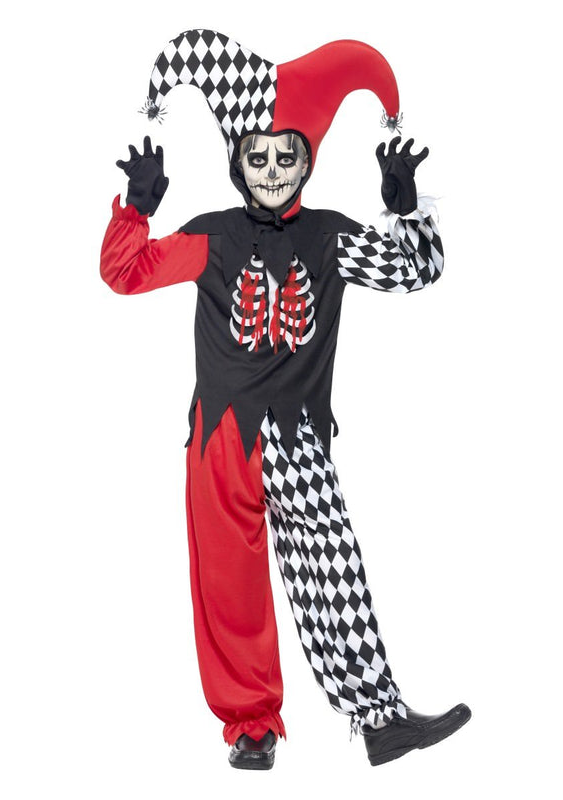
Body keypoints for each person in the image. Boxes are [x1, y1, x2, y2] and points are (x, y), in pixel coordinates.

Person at [100, 29, 471, 770]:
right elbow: (125, 273)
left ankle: (379, 718)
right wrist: (136, 209)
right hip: (222, 442)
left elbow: (416, 271)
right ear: (238, 164)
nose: (272, 171)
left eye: (286, 157)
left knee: (333, 569)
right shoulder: (212, 236)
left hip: (300, 440)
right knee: (229, 585)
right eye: (258, 157)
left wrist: (406, 209)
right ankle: (251, 726)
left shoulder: (331, 238)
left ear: (308, 163)